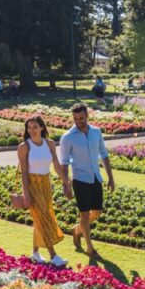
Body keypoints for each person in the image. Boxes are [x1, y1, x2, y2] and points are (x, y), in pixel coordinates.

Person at [59, 103, 115, 257]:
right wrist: (66, 185)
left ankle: (77, 230)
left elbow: (104, 155)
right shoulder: (67, 137)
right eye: (75, 118)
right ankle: (90, 248)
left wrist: (110, 178)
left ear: (87, 116)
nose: (78, 121)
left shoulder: (96, 132)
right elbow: (64, 163)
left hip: (96, 177)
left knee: (97, 212)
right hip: (80, 179)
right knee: (84, 214)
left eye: (81, 118)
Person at [17, 115, 67, 267]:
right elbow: (24, 173)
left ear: (42, 128)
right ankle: (53, 255)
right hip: (32, 186)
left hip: (45, 184)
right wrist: (26, 193)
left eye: (35, 127)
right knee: (44, 218)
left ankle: (35, 253)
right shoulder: (24, 147)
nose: (32, 130)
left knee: (41, 218)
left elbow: (57, 165)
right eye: (29, 127)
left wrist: (66, 182)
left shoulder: (50, 143)